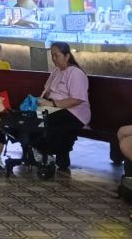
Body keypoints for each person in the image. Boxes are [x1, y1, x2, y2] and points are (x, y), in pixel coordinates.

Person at [39, 41, 90, 172]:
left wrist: (53, 104)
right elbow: (47, 91)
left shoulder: (75, 73)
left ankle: (47, 151)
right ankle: (38, 150)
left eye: (57, 55)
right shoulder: (56, 72)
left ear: (67, 56)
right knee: (32, 116)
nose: (54, 59)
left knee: (44, 118)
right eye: (52, 56)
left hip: (74, 112)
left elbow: (76, 99)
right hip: (54, 108)